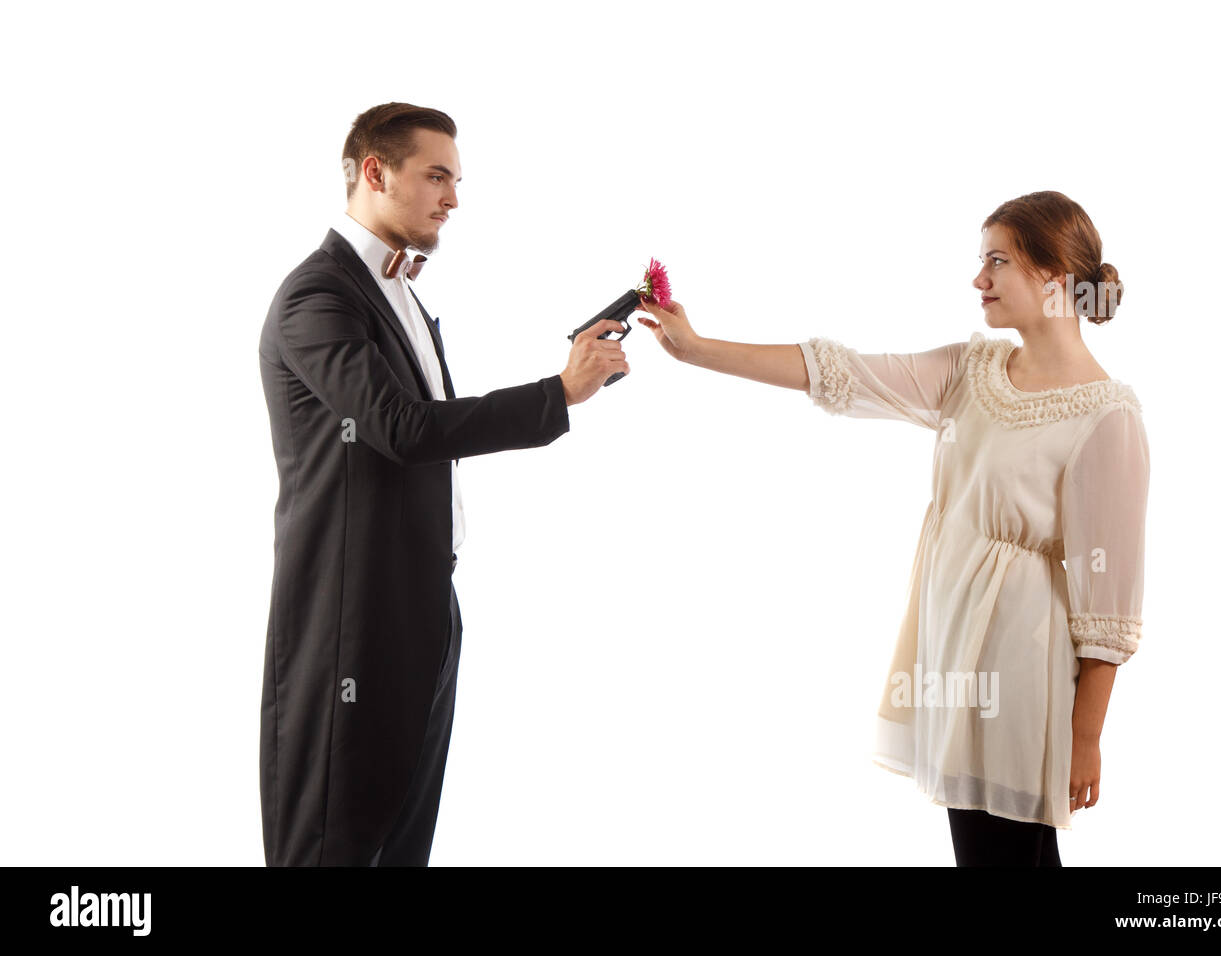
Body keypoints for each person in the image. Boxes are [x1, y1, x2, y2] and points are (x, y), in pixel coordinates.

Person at [635, 190, 1149, 867]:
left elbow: (1107, 602)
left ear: (1054, 278)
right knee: (986, 853)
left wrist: (1087, 739)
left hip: (1021, 669)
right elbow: (843, 372)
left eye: (997, 261)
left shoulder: (1105, 416)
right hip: (954, 654)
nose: (979, 279)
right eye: (981, 261)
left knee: (1010, 856)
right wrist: (699, 350)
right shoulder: (973, 372)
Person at [257, 103, 629, 866]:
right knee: (333, 845)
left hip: (424, 605)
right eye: (436, 176)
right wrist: (558, 393)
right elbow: (403, 429)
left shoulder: (404, 296)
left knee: (401, 844)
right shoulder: (316, 297)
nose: (453, 198)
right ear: (374, 172)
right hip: (348, 622)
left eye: (455, 180)